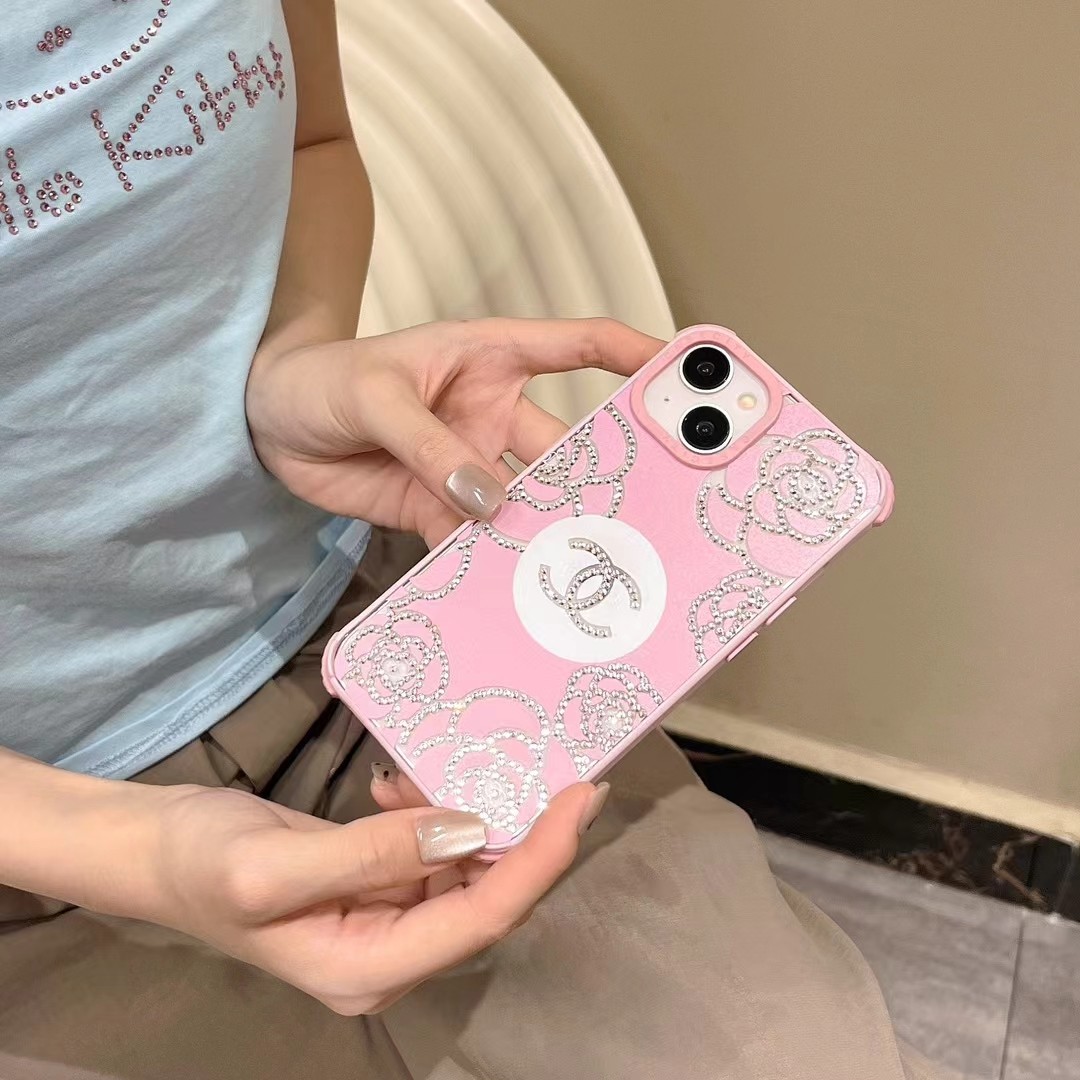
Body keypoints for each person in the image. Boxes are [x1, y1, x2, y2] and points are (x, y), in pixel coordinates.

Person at [0, 2, 952, 1077]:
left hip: (387, 648)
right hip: (38, 855)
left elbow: (315, 140)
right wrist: (136, 854)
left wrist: (290, 365)